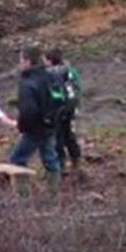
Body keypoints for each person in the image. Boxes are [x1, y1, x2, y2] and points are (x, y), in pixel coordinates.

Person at [9, 45, 61, 198]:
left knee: (17, 160)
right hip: (50, 126)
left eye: (21, 60)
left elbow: (28, 112)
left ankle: (23, 198)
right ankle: (54, 199)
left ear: (28, 62)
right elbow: (59, 100)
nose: (19, 63)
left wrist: (21, 126)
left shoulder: (27, 83)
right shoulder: (52, 76)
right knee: (50, 160)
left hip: (34, 130)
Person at [46, 47, 83, 178]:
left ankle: (61, 166)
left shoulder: (50, 74)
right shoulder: (71, 71)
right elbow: (77, 87)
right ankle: (76, 161)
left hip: (59, 107)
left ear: (49, 61)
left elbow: (53, 93)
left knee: (58, 137)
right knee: (70, 135)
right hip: (72, 106)